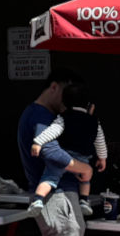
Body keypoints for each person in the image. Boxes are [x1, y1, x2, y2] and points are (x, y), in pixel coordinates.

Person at [15, 70, 81, 236]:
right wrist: (82, 166)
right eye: (65, 92)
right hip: (57, 196)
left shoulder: (31, 114)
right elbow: (49, 151)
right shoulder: (42, 117)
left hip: (44, 196)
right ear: (54, 87)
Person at [28, 81, 104, 211]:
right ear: (89, 105)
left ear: (64, 103)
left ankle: (38, 200)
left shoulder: (63, 117)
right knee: (85, 179)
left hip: (63, 157)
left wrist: (38, 142)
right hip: (82, 159)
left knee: (49, 179)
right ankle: (84, 201)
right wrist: (102, 158)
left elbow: (53, 131)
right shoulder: (94, 122)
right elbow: (100, 142)